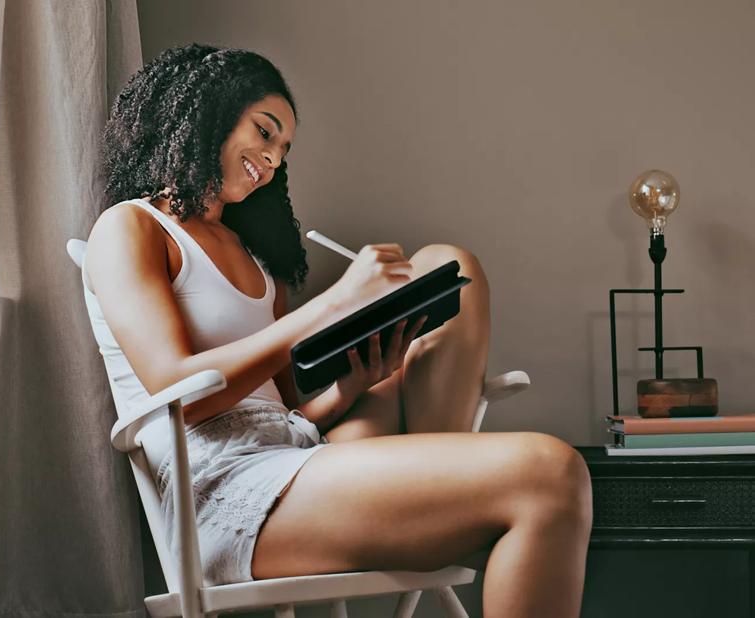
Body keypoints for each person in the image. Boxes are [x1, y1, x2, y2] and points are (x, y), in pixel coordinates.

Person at [83, 43, 591, 617]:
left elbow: (287, 411)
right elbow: (179, 391)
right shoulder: (129, 226)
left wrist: (356, 385)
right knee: (550, 471)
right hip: (227, 494)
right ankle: (459, 494)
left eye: (283, 149)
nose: (272, 159)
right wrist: (335, 302)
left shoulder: (253, 258)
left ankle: (446, 479)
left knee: (449, 264)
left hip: (298, 454)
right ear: (209, 113)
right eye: (265, 132)